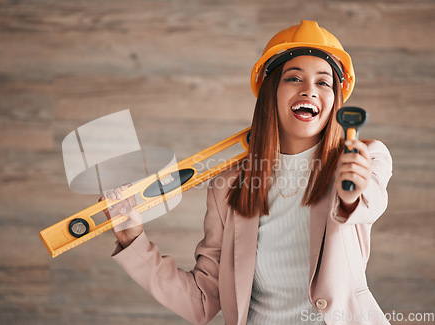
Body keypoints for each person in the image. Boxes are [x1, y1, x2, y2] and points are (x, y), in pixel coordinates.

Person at [100, 20, 393, 325]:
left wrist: (350, 194)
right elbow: (201, 301)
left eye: (323, 82)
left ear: (337, 100)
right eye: (294, 78)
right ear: (271, 91)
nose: (309, 90)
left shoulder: (363, 157)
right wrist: (133, 241)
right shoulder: (228, 187)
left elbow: (370, 201)